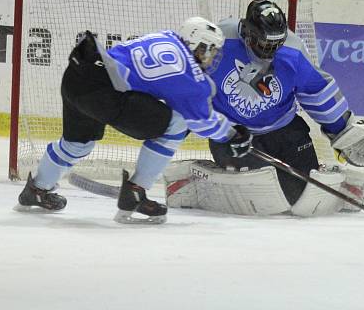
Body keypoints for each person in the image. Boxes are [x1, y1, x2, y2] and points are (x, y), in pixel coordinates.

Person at [164, 0, 364, 217]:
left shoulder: (293, 52)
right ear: (246, 30)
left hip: (285, 131)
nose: (269, 49)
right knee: (257, 193)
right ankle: (191, 181)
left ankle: (337, 183)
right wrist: (178, 123)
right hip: (235, 135)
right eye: (264, 42)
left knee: (300, 194)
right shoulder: (221, 42)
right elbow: (191, 84)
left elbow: (316, 90)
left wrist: (341, 127)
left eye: (276, 43)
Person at [15, 17, 252, 224]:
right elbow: (201, 122)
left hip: (79, 72)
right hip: (103, 92)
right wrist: (233, 135)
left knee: (77, 143)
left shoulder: (166, 37)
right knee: (177, 122)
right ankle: (135, 192)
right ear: (199, 46)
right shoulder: (190, 77)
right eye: (211, 50)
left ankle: (36, 189)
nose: (212, 57)